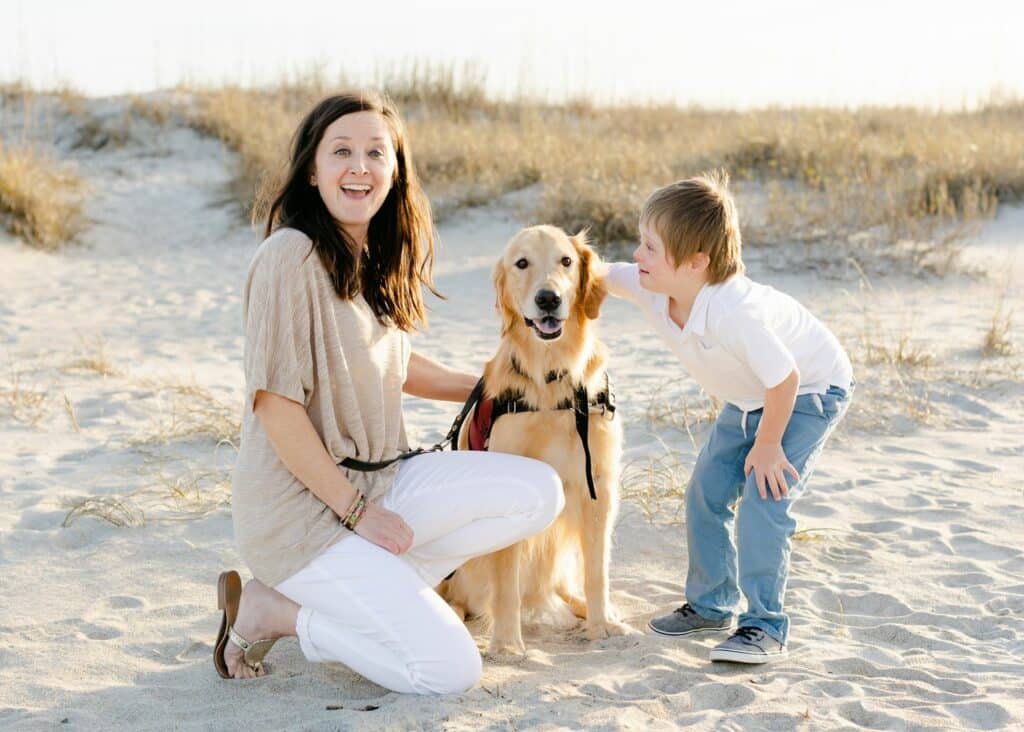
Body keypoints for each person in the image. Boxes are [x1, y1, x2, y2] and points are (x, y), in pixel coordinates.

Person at [214, 91, 565, 694]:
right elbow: (277, 407)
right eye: (342, 151)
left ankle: (380, 588)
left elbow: (394, 365)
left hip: (382, 478)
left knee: (538, 491)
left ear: (395, 170)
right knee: (450, 670)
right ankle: (279, 612)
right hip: (302, 518)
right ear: (312, 169)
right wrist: (359, 515)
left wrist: (498, 390)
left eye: (376, 152)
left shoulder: (370, 257)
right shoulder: (288, 257)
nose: (360, 167)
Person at [602, 170, 853, 663]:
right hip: (748, 399)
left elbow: (786, 379)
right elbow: (594, 271)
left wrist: (767, 445)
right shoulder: (653, 286)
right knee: (706, 494)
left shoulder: (734, 311)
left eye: (650, 247)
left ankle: (765, 626)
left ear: (697, 263)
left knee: (765, 498)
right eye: (640, 242)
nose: (637, 255)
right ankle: (713, 604)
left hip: (807, 391)